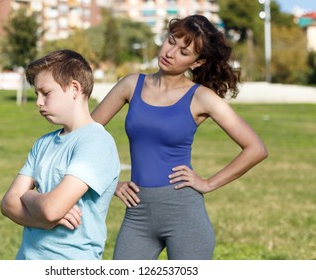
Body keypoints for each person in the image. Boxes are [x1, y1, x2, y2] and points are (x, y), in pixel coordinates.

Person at [91, 15, 268, 260]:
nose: (171, 52)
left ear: (197, 62)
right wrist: (110, 184)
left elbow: (255, 148)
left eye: (184, 52)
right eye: (170, 41)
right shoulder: (131, 84)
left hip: (184, 214)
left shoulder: (201, 97)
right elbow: (84, 136)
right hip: (137, 214)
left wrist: (208, 183)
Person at [0, 49, 120, 260]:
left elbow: (52, 209)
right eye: (36, 94)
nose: (38, 102)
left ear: (74, 88)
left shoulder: (96, 142)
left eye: (46, 93)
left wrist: (27, 195)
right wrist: (42, 219)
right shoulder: (43, 143)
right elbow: (8, 204)